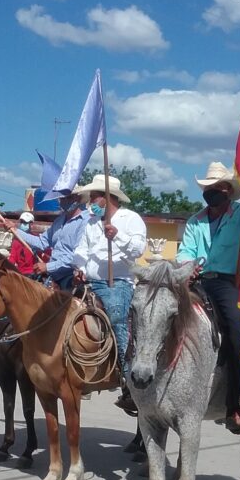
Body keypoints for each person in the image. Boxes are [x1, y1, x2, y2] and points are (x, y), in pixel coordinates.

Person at [176, 161, 240, 433]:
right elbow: (184, 251)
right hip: (195, 280)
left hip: (225, 281)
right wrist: (189, 265)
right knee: (157, 314)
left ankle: (239, 398)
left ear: (228, 191)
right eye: (208, 188)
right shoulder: (195, 221)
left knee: (236, 329)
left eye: (217, 188)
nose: (211, 192)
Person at [71, 174, 147, 415]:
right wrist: (80, 268)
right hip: (90, 282)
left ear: (106, 197)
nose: (90, 201)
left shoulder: (130, 219)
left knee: (116, 318)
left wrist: (117, 236)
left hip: (118, 283)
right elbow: (81, 251)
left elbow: (137, 249)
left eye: (93, 196)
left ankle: (129, 382)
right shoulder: (91, 223)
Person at [16, 193, 88, 290]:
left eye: (67, 197)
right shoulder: (59, 220)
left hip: (72, 276)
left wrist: (48, 266)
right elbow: (42, 242)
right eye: (61, 198)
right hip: (53, 275)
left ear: (78, 198)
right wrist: (15, 231)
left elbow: (76, 255)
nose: (63, 201)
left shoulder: (86, 221)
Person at [7, 212, 38, 276]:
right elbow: (12, 258)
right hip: (21, 274)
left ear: (31, 224)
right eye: (22, 222)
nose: (24, 224)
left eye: (26, 222)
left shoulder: (36, 239)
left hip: (34, 273)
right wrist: (7, 267)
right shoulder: (16, 241)